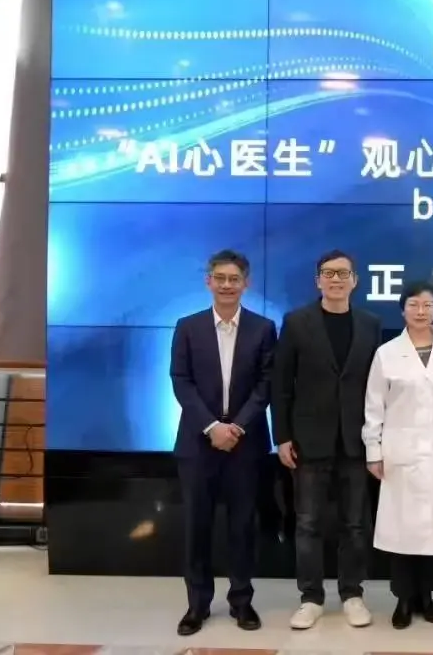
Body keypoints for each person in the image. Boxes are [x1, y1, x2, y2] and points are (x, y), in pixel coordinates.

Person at [272, 249, 384, 630]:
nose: (336, 279)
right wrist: (282, 436)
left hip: (356, 440)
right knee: (308, 524)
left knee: (355, 524)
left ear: (355, 281)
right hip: (308, 440)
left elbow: (378, 386)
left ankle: (352, 594)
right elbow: (281, 384)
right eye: (328, 273)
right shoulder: (296, 322)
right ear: (318, 280)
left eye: (343, 273)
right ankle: (311, 598)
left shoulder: (370, 324)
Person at [169, 250, 277, 636]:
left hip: (246, 445)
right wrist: (212, 426)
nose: (227, 285)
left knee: (242, 526)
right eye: (220, 278)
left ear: (246, 283)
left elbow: (266, 384)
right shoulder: (187, 327)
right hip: (197, 444)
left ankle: (241, 602)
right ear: (208, 282)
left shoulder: (263, 328)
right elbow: (181, 381)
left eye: (234, 279)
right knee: (196, 526)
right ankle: (196, 605)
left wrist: (237, 427)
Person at [362, 281, 433, 629]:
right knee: (401, 532)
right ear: (402, 310)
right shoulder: (387, 353)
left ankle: (427, 596)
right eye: (413, 305)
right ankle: (403, 599)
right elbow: (374, 407)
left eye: (427, 305)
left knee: (432, 531)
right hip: (399, 455)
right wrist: (373, 450)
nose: (421, 311)